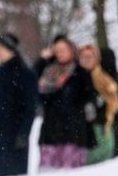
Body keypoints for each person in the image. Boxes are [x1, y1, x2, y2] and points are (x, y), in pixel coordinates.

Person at [0, 33, 38, 176]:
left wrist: (24, 132)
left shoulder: (26, 74)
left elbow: (30, 108)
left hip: (14, 133)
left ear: (11, 49)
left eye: (1, 48)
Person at [36, 35, 96, 169]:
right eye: (57, 50)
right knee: (48, 173)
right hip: (51, 130)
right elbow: (37, 92)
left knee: (71, 174)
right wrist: (41, 61)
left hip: (73, 131)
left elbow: (89, 99)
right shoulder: (48, 71)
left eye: (63, 50)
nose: (60, 53)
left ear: (71, 50)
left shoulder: (80, 73)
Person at [80, 43, 118, 165]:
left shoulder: (103, 77)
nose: (88, 60)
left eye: (90, 56)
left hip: (102, 123)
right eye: (84, 57)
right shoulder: (75, 76)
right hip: (81, 126)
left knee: (104, 154)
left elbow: (114, 99)